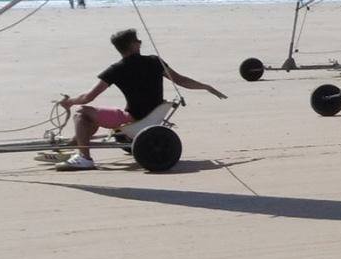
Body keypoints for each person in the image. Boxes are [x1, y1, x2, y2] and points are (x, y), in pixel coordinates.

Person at [57, 28, 224, 170]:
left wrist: (69, 102)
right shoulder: (154, 61)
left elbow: (88, 97)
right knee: (89, 118)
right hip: (151, 115)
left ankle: (84, 158)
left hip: (133, 118)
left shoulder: (116, 69)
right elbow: (180, 80)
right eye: (137, 40)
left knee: (81, 113)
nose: (140, 41)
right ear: (132, 45)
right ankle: (76, 144)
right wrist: (206, 87)